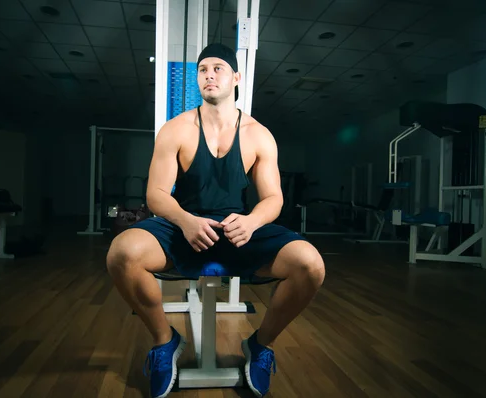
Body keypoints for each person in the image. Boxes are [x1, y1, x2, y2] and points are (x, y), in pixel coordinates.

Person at [106, 43, 325, 398]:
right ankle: (165, 341)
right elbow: (156, 194)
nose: (209, 74)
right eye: (203, 69)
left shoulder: (258, 134)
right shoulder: (176, 129)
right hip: (184, 226)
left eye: (218, 68)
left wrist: (253, 222)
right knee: (121, 253)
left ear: (236, 77)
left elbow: (273, 198)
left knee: (311, 265)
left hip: (240, 229)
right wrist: (186, 220)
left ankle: (261, 345)